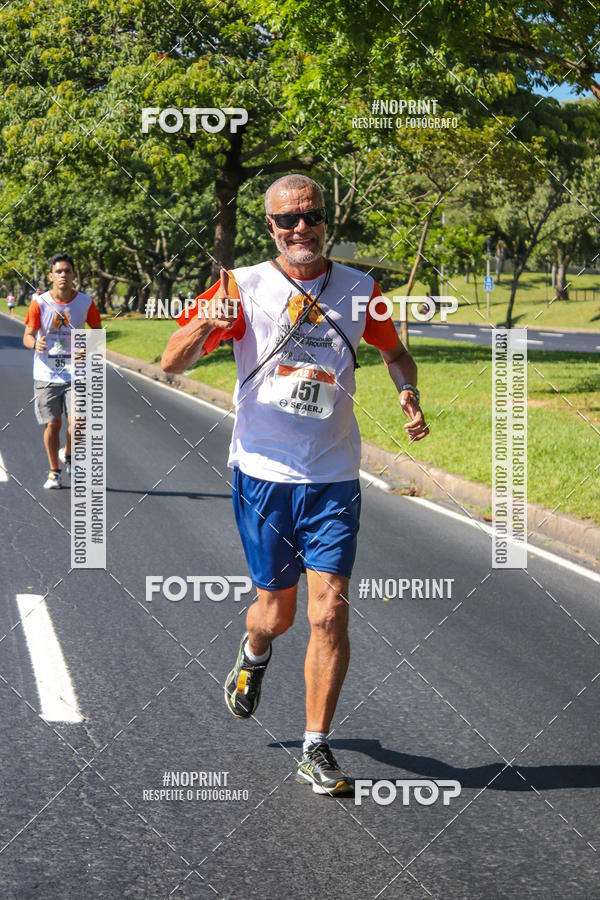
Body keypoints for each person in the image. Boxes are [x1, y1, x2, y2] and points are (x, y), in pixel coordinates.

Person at [162, 174, 428, 795]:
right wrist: (207, 325)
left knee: (329, 611)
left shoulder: (363, 290)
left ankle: (316, 747)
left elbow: (395, 354)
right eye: (287, 220)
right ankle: (253, 654)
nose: (300, 228)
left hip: (334, 475)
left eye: (310, 215)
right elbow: (171, 361)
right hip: (263, 474)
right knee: (276, 617)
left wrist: (408, 390)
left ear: (326, 220)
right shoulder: (241, 287)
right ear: (271, 228)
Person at [23, 252, 102, 489]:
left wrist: (87, 347)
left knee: (78, 421)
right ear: (51, 276)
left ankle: (68, 455)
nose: (63, 275)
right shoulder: (39, 303)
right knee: (53, 424)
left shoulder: (85, 302)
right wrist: (34, 343)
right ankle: (54, 472)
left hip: (75, 371)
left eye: (67, 271)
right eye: (59, 271)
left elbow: (97, 331)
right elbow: (27, 335)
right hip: (46, 373)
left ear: (74, 275)